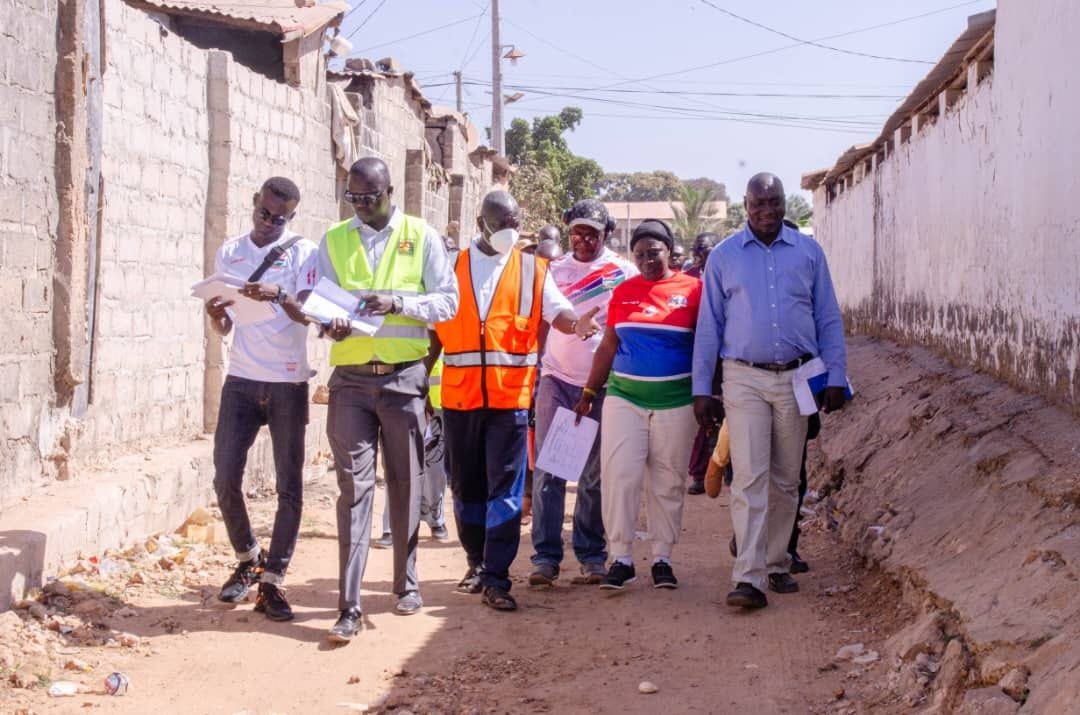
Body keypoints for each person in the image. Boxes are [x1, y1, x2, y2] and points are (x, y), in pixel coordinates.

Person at [434, 190, 602, 612]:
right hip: (459, 399)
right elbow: (432, 325)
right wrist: (418, 381)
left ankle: (497, 576)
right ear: (480, 223)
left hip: (510, 399)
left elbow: (558, 312)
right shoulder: (450, 266)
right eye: (500, 222)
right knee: (466, 488)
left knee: (505, 491)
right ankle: (476, 561)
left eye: (514, 221)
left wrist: (577, 325)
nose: (509, 230)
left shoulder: (533, 269)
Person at [313, 157, 458, 642]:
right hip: (351, 382)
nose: (360, 206)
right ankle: (349, 606)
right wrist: (327, 321)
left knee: (404, 483)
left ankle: (405, 584)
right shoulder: (334, 239)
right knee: (354, 491)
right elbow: (319, 300)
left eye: (369, 197)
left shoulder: (422, 236)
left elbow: (447, 302)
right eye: (353, 197)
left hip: (403, 379)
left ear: (390, 191)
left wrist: (399, 302)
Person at [693, 173, 847, 610]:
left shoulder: (809, 253)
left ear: (785, 203)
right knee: (749, 477)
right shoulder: (723, 257)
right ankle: (749, 576)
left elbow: (828, 317)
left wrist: (836, 375)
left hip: (798, 378)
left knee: (785, 478)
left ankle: (777, 561)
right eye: (758, 203)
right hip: (743, 377)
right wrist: (702, 389)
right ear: (745, 205)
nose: (766, 211)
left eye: (774, 202)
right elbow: (709, 328)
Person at [204, 177, 317, 622]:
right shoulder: (230, 252)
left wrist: (281, 295)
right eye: (264, 213)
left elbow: (310, 313)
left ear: (292, 217)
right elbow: (225, 325)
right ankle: (248, 555)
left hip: (287, 381)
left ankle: (273, 581)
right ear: (254, 204)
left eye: (280, 218)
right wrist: (216, 317)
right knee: (224, 475)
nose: (270, 223)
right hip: (242, 379)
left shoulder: (304, 253)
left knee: (289, 487)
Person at [574, 219, 702, 591]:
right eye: (641, 254)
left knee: (668, 480)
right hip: (624, 399)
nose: (647, 260)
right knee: (620, 477)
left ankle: (662, 558)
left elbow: (707, 344)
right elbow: (609, 345)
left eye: (655, 253)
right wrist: (589, 391)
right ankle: (622, 558)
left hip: (676, 401)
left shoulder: (694, 290)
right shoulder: (624, 292)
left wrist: (710, 395)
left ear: (670, 251)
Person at [528, 200, 636, 587]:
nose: (583, 239)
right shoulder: (553, 271)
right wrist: (537, 371)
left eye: (592, 232)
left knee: (594, 475)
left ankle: (592, 556)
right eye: (577, 232)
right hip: (556, 380)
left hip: (604, 384)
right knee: (550, 471)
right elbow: (543, 322)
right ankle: (545, 557)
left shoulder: (623, 271)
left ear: (606, 233)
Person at [684, 232, 722, 495]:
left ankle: (725, 467)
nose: (705, 256)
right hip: (694, 353)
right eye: (701, 252)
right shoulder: (688, 280)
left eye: (709, 251)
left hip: (724, 354)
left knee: (728, 413)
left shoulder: (727, 273)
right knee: (701, 415)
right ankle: (698, 473)